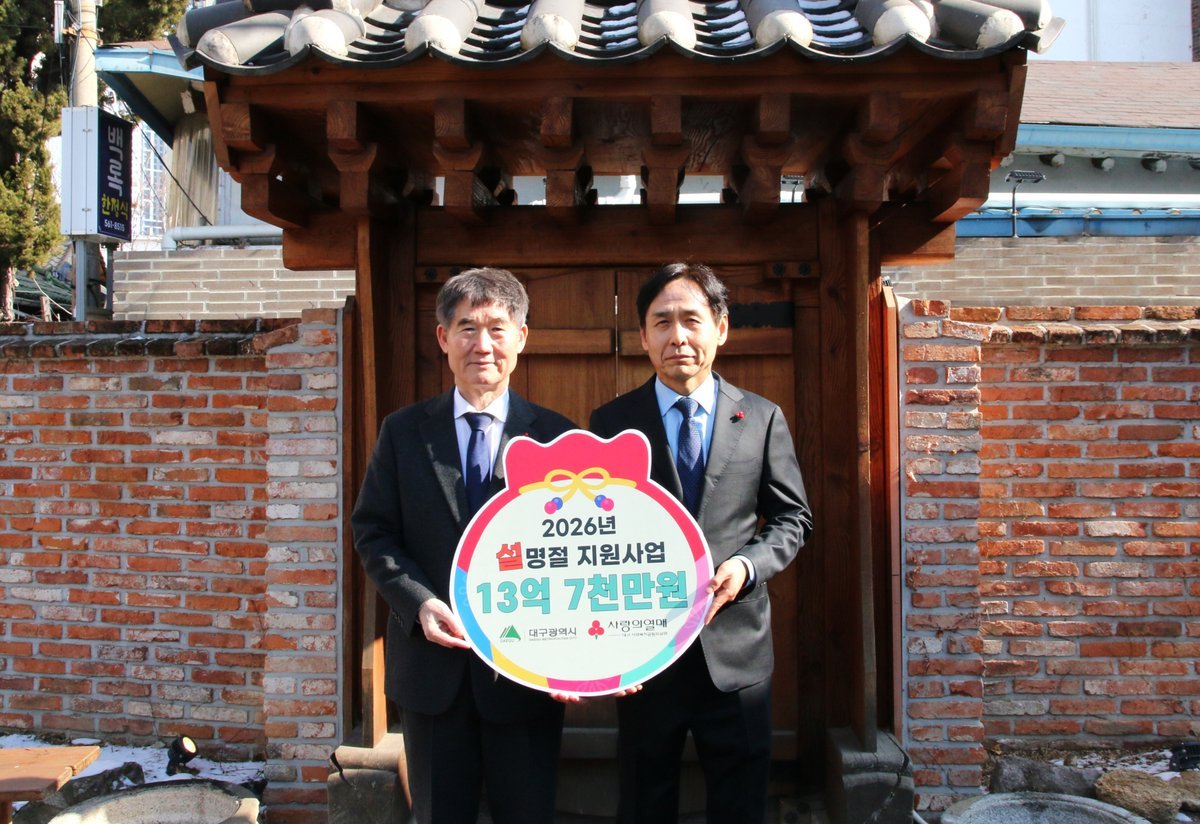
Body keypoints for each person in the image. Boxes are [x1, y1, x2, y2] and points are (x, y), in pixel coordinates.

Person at [589, 262, 813, 824]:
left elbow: (792, 519)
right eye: (662, 322)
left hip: (735, 654)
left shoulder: (760, 417)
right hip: (644, 656)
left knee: (739, 806)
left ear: (721, 328)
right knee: (644, 802)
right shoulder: (612, 423)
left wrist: (746, 565)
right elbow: (592, 539)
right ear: (643, 337)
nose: (678, 336)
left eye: (692, 320)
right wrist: (606, 652)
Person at [352, 267, 575, 824]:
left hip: (527, 674)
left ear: (521, 338)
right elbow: (374, 531)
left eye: (498, 329)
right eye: (467, 328)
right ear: (442, 338)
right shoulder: (403, 432)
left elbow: (579, 552)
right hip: (433, 675)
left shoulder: (558, 438)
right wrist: (418, 602)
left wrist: (581, 657)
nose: (483, 345)